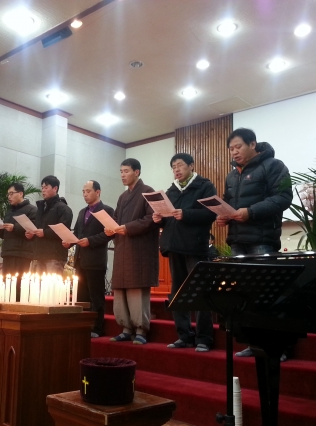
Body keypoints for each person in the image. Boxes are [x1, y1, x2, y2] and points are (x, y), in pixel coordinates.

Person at [216, 127, 293, 358]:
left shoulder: (274, 166)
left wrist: (250, 212)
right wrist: (223, 215)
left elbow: (283, 198)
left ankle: (277, 347)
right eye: (231, 148)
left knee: (267, 293)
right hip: (237, 241)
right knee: (245, 295)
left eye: (238, 146)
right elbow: (228, 202)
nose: (234, 152)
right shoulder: (232, 175)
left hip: (262, 240)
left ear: (253, 144)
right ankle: (254, 342)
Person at [153, 153, 217, 352]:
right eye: (173, 167)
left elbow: (211, 213)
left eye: (180, 165)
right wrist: (160, 220)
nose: (176, 170)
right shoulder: (171, 191)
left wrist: (186, 214)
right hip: (174, 246)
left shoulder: (205, 186)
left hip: (195, 247)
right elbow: (168, 219)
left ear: (191, 166)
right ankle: (184, 336)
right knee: (177, 293)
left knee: (200, 291)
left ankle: (204, 338)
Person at [106, 158, 159, 345]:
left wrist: (127, 228)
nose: (122, 175)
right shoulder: (122, 197)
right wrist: (110, 228)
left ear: (137, 172)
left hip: (139, 250)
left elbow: (151, 219)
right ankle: (126, 328)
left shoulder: (148, 192)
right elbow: (115, 219)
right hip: (122, 248)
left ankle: (141, 330)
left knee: (137, 289)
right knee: (120, 290)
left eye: (126, 171)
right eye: (121, 171)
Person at [63, 180, 114, 338]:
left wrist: (90, 241)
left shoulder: (107, 210)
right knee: (81, 295)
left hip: (95, 260)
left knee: (96, 297)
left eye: (88, 191)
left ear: (98, 192)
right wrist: (69, 241)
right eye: (83, 191)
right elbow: (77, 233)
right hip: (80, 260)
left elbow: (109, 233)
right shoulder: (82, 212)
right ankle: (83, 326)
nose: (85, 194)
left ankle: (97, 328)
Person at [0, 183, 37, 298]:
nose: (9, 197)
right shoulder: (9, 212)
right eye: (8, 194)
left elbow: (33, 229)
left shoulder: (32, 210)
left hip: (22, 252)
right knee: (6, 284)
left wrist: (15, 227)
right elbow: (6, 234)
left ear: (21, 193)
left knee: (19, 284)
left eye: (11, 193)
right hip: (8, 251)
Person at [25, 175, 73, 275]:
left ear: (55, 188)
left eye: (46, 187)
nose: (43, 190)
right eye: (42, 187)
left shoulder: (63, 208)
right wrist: (32, 234)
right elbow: (38, 228)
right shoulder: (41, 208)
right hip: (39, 254)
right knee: (38, 284)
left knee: (53, 284)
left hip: (55, 256)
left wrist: (45, 233)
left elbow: (64, 231)